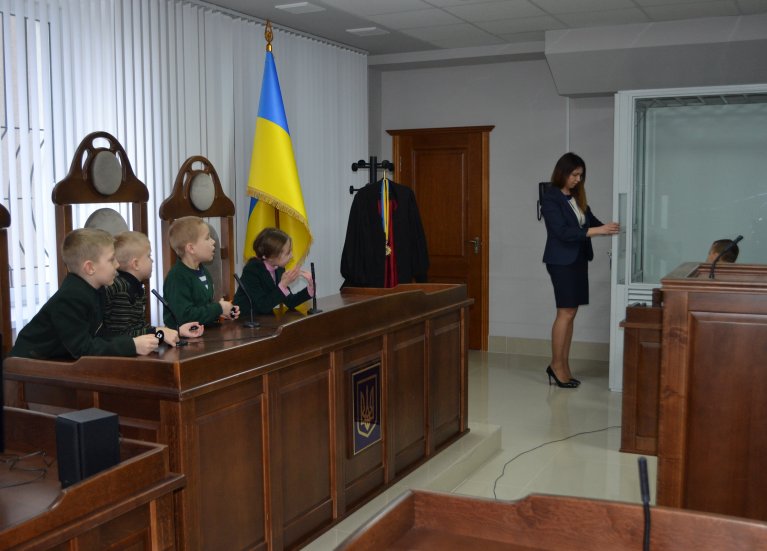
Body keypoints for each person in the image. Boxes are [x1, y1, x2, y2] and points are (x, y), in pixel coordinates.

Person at [9, 228, 159, 359]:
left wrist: (137, 340)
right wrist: (132, 346)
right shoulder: (70, 298)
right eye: (111, 260)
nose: (117, 264)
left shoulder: (96, 290)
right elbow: (83, 349)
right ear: (90, 268)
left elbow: (100, 335)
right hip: (27, 367)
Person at [541, 153, 620, 388]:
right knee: (564, 312)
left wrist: (614, 227)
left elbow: (592, 221)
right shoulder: (551, 198)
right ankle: (556, 365)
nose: (578, 179)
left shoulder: (576, 197)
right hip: (561, 261)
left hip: (578, 260)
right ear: (562, 172)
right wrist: (598, 231)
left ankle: (563, 365)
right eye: (574, 174)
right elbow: (562, 232)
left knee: (571, 312)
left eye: (581, 175)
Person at [103, 231, 204, 344]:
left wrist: (177, 331)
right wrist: (158, 332)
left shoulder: (136, 287)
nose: (152, 260)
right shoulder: (122, 290)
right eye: (148, 256)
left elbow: (140, 328)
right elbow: (122, 335)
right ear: (136, 264)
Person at [162, 216, 239, 326]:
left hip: (205, 332)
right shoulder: (177, 278)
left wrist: (223, 312)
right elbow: (185, 317)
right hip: (184, 336)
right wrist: (218, 308)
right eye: (207, 238)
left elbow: (203, 308)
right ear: (191, 248)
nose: (213, 242)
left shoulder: (203, 271)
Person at [233, 227, 314, 316]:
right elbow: (262, 306)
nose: (292, 256)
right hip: (243, 319)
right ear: (271, 256)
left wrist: (311, 288)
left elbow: (291, 302)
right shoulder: (252, 270)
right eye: (288, 253)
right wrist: (283, 285)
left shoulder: (279, 268)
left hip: (264, 320)